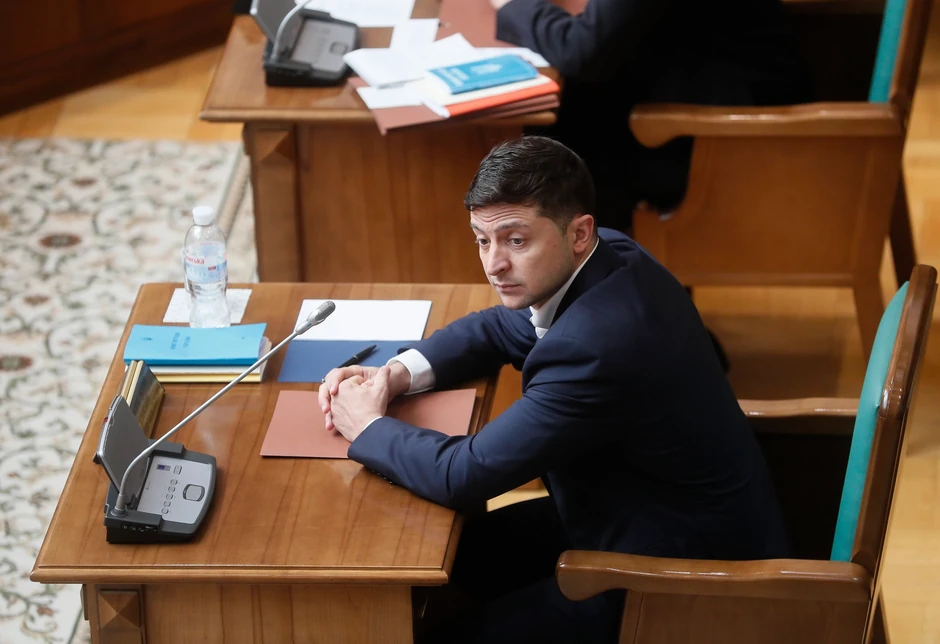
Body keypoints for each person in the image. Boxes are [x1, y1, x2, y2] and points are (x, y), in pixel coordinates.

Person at [318, 136, 790, 643]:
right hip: (624, 508)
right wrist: (393, 374)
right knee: (447, 566)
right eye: (482, 240)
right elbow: (496, 328)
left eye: (516, 241)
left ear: (578, 233)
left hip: (673, 580)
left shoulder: (597, 348)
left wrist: (367, 424)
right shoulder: (608, 254)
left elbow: (465, 474)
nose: (494, 264)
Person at [488, 0, 814, 231]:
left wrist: (513, 4)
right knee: (565, 120)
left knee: (554, 147)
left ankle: (614, 295)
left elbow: (582, 50)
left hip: (729, 138)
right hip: (706, 94)